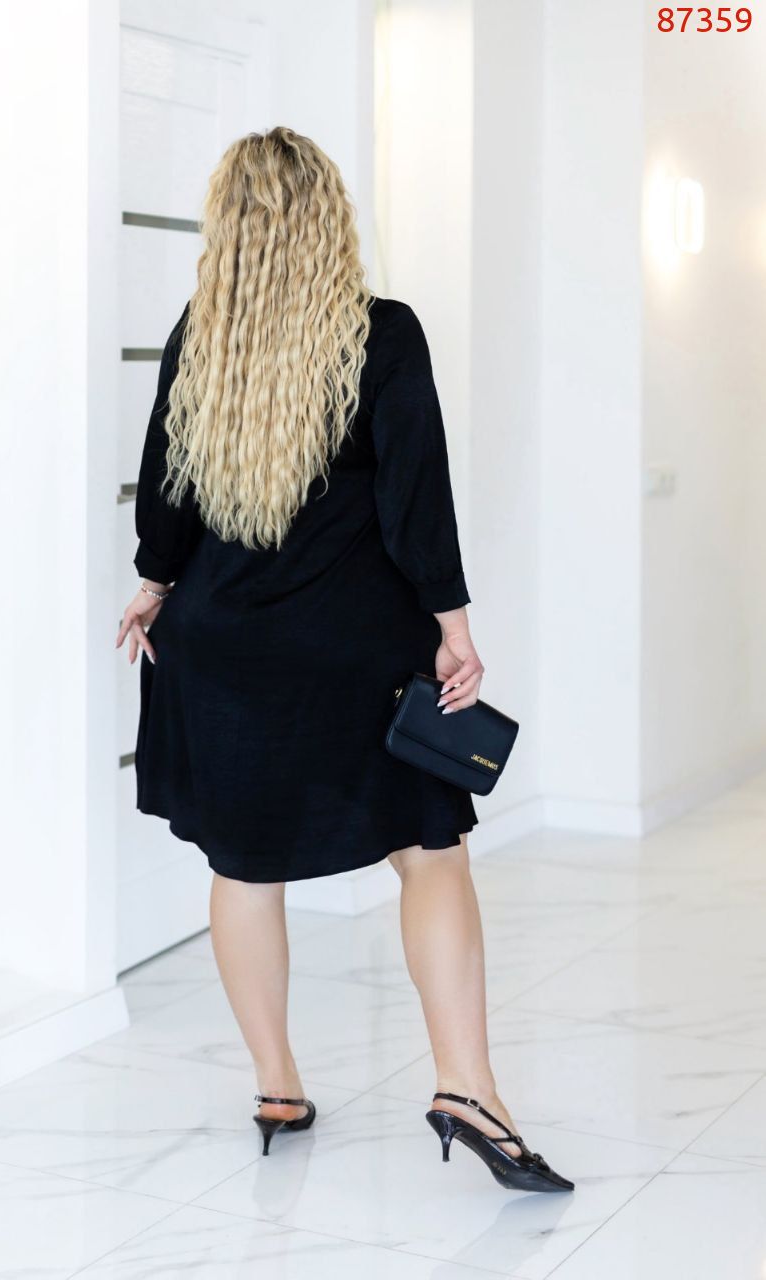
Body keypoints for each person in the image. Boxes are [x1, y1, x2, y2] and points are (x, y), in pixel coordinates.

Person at [115, 126, 573, 1193]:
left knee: (243, 867)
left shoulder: (200, 335)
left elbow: (166, 494)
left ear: (227, 227)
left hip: (224, 648)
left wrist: (152, 582)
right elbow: (416, 500)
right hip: (357, 652)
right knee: (431, 853)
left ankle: (276, 1086)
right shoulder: (384, 333)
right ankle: (467, 1089)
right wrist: (454, 624)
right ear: (331, 218)